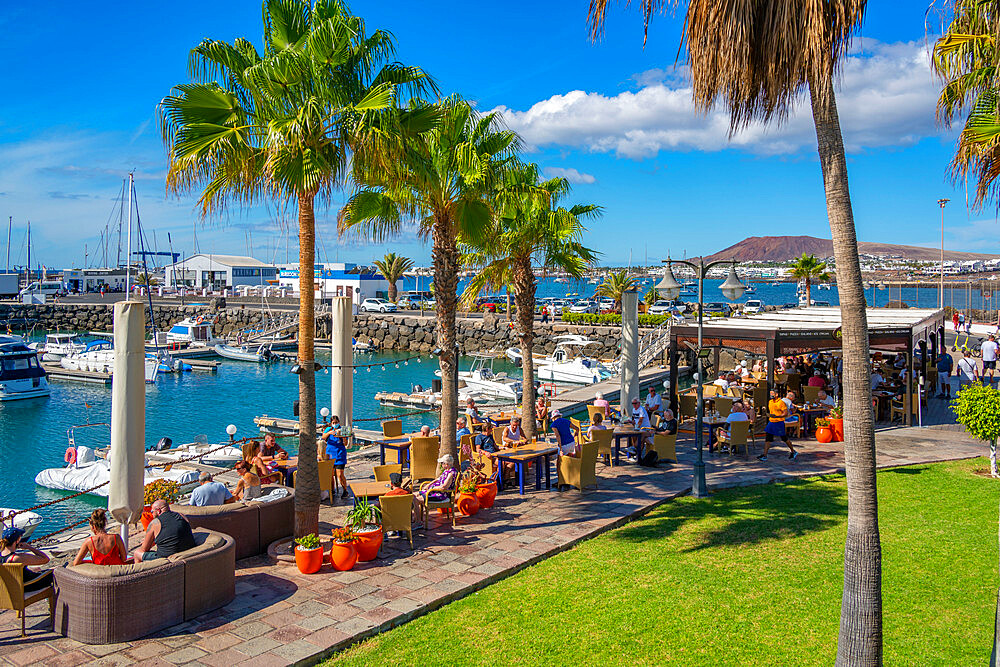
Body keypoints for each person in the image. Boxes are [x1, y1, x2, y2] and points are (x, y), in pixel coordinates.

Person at [1, 526, 52, 592]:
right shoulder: (18, 558)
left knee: (38, 569)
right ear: (17, 541)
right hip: (26, 586)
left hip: (9, 588)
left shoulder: (2, 556)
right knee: (54, 573)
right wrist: (30, 548)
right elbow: (45, 559)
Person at [758, 390, 797, 462]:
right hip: (771, 422)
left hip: (779, 422)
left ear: (776, 394)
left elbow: (785, 413)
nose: (771, 395)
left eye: (772, 393)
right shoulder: (770, 402)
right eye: (770, 393)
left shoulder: (781, 402)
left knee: (784, 438)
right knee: (768, 438)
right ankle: (765, 455)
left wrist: (777, 416)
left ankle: (793, 451)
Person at [321, 415, 349, 499]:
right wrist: (329, 433)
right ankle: (332, 490)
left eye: (336, 423)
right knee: (330, 474)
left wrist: (343, 438)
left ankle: (345, 490)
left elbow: (345, 444)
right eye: (333, 423)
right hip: (330, 454)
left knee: (340, 474)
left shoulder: (343, 430)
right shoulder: (328, 429)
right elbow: (323, 437)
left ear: (339, 422)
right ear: (331, 423)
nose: (335, 424)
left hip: (340, 454)